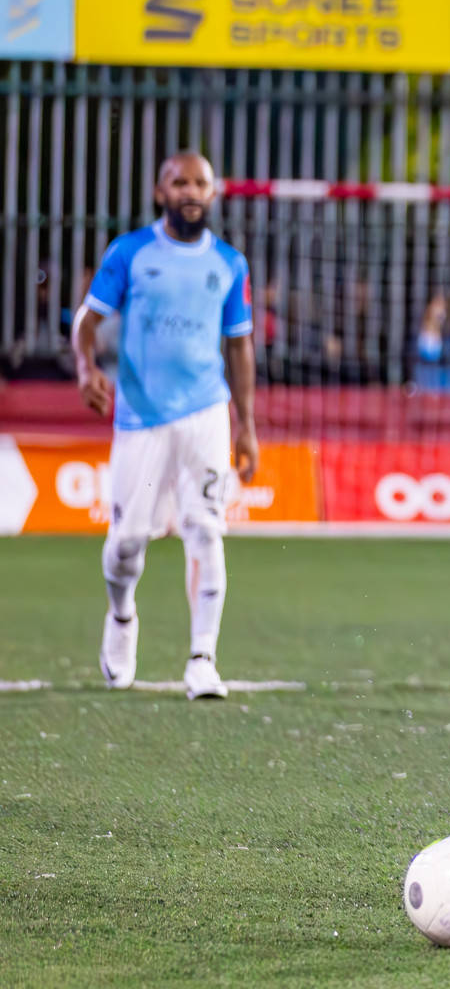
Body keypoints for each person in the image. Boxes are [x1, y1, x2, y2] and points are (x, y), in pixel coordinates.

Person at [71, 151, 258, 700]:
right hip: (140, 418)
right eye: (179, 182)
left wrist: (246, 424)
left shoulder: (229, 263)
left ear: (214, 192)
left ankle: (203, 660)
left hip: (205, 414)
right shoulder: (130, 253)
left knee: (205, 529)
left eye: (200, 182)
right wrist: (85, 367)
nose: (190, 191)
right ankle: (122, 615)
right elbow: (88, 320)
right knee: (128, 543)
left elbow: (240, 343)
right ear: (161, 192)